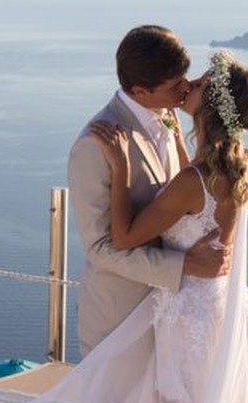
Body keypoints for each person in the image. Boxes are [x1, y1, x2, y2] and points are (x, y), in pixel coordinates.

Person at [2, 50, 248, 403]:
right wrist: (179, 139)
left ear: (213, 107)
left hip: (186, 320)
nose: (189, 84)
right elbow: (195, 198)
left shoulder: (191, 180)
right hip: (218, 308)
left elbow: (124, 237)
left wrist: (122, 168)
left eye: (199, 84)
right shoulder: (241, 166)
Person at [71, 24, 229, 358]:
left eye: (185, 77)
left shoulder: (170, 116)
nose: (186, 87)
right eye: (175, 84)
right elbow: (100, 248)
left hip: (178, 317)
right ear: (141, 91)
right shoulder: (94, 145)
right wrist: (185, 265)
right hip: (120, 320)